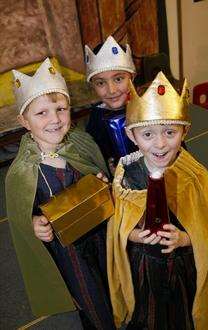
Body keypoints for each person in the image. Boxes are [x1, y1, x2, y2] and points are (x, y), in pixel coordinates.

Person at [6, 58, 116, 329]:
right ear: (24, 121)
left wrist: (103, 184)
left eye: (61, 109)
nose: (55, 119)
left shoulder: (81, 144)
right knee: (92, 302)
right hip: (69, 249)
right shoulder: (22, 170)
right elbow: (21, 213)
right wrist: (33, 224)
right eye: (41, 113)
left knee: (116, 286)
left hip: (102, 233)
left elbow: (101, 175)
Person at [107, 72, 208, 330]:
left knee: (182, 313)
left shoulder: (195, 175)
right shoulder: (127, 176)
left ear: (184, 131)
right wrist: (136, 236)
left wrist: (185, 238)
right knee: (151, 314)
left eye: (170, 132)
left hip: (182, 264)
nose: (160, 144)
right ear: (132, 136)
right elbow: (119, 228)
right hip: (145, 265)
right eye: (148, 135)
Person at [85, 35, 137, 175]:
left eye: (118, 79)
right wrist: (107, 170)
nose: (112, 90)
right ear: (93, 86)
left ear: (131, 77)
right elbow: (94, 158)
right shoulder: (95, 120)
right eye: (101, 83)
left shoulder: (149, 108)